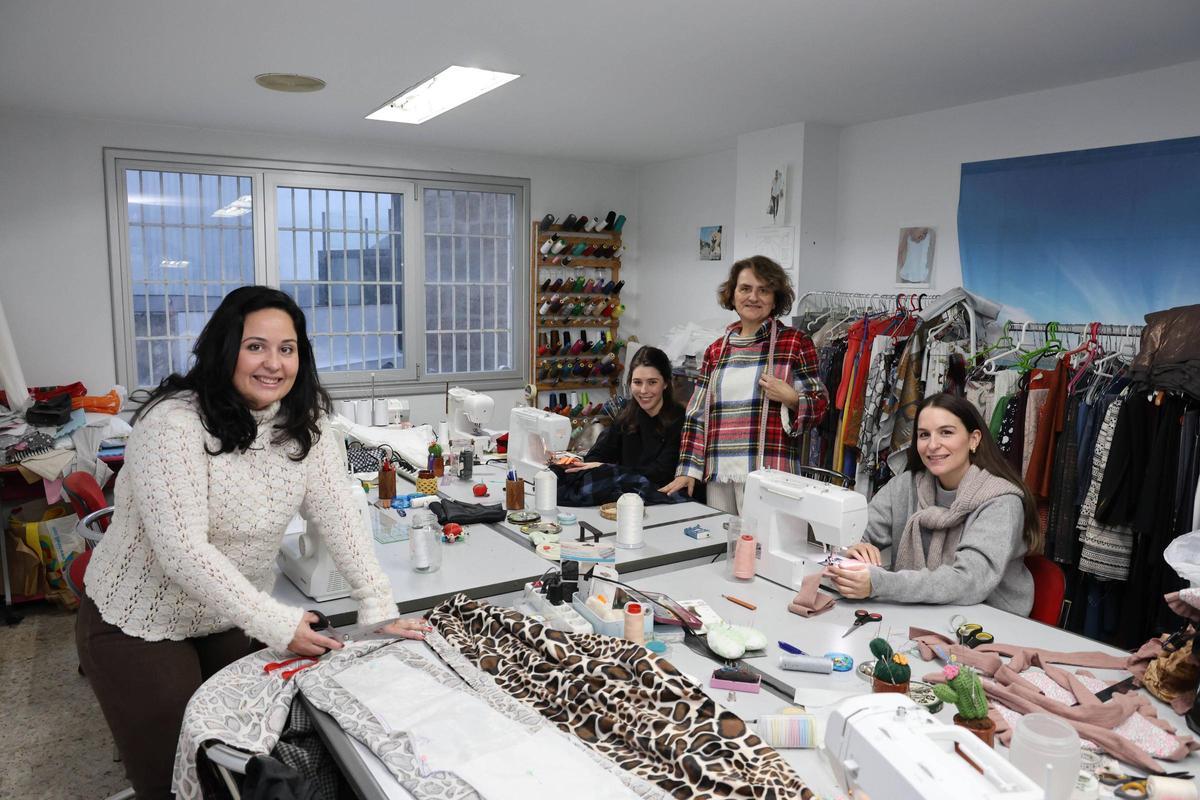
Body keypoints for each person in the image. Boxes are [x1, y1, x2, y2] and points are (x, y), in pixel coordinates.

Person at [76, 286, 428, 799]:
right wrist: (277, 622)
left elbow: (340, 520)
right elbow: (182, 550)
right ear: (225, 349)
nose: (273, 363)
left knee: (249, 758)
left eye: (287, 349)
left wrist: (377, 606)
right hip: (138, 621)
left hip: (222, 614)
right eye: (255, 346)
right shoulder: (172, 423)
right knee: (181, 776)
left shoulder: (305, 425)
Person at [831, 392, 1040, 615]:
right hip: (923, 614)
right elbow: (853, 535)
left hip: (989, 623)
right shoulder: (904, 486)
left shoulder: (1001, 502)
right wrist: (854, 548)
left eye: (946, 433)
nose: (932, 445)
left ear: (974, 439)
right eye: (924, 435)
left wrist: (880, 583)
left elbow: (968, 582)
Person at [661, 255, 828, 513]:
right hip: (720, 475)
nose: (753, 297)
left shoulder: (794, 343)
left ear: (775, 298)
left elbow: (820, 406)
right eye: (745, 288)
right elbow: (696, 415)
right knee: (725, 546)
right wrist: (688, 470)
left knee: (767, 550)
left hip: (772, 474)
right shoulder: (716, 350)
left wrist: (792, 398)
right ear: (732, 294)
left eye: (764, 290)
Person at [566, 346, 684, 488]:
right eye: (637, 382)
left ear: (665, 383)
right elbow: (597, 454)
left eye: (652, 382)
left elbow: (661, 474)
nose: (643, 390)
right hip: (628, 495)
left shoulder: (680, 420)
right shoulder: (627, 415)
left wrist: (607, 469)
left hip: (664, 501)